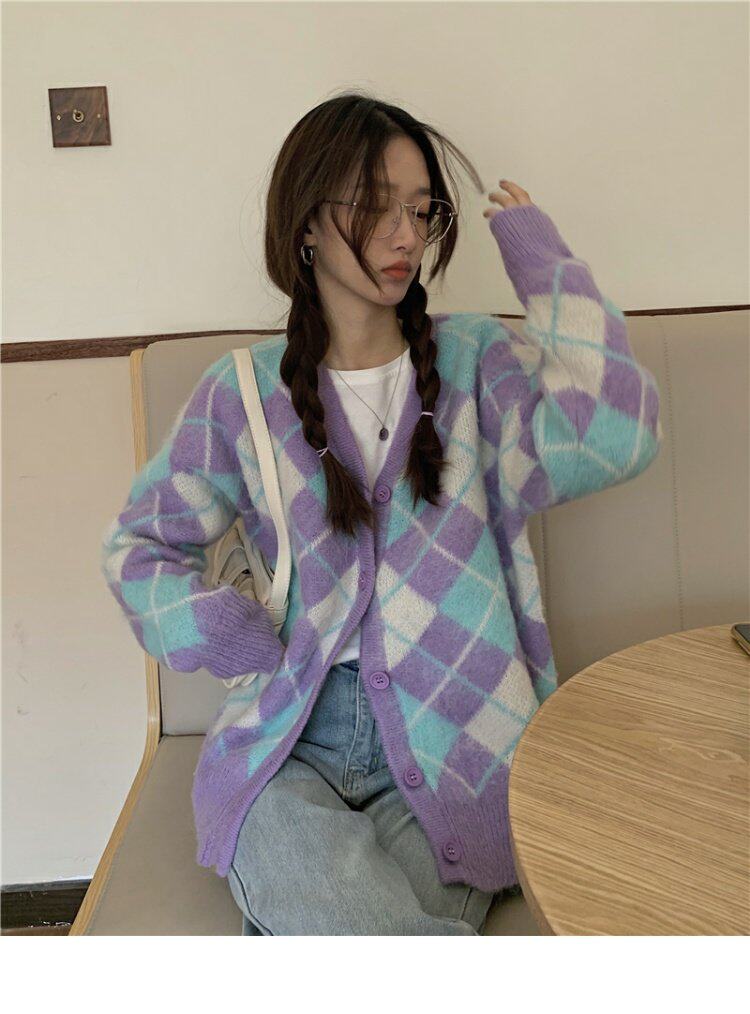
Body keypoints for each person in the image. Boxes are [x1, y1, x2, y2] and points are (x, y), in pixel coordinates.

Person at [100, 89, 662, 935]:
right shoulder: (240, 394)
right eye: (375, 206)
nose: (405, 236)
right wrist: (211, 624)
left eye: (421, 210)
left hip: (458, 741)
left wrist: (543, 264)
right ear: (307, 223)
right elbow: (139, 548)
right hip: (288, 742)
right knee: (320, 887)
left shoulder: (476, 365)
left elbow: (618, 432)